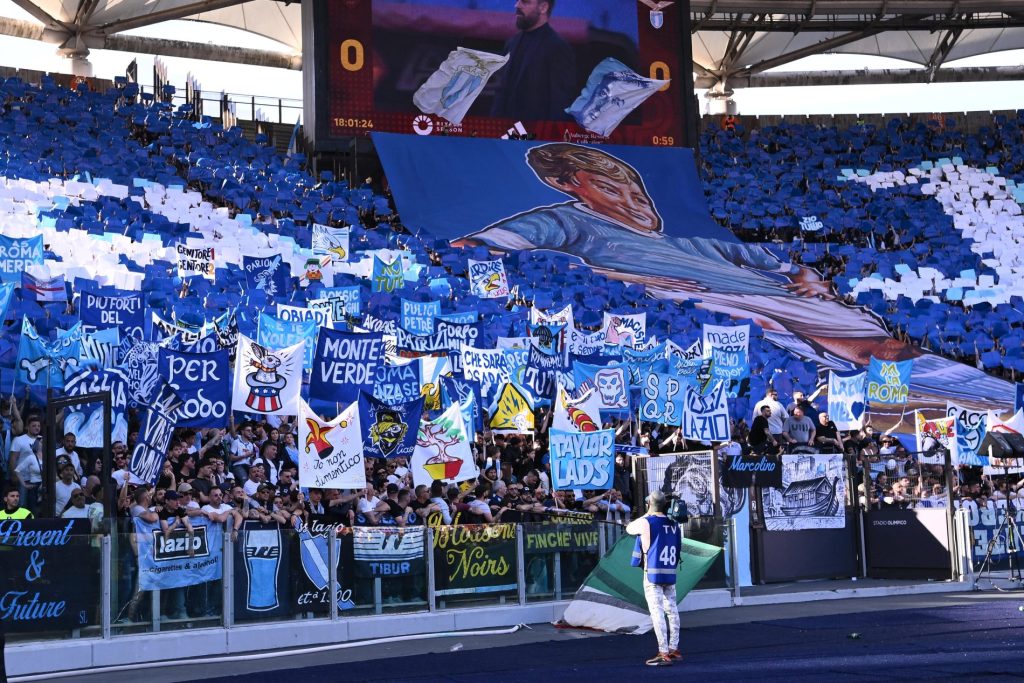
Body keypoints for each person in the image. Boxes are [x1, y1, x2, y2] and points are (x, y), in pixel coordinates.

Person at [489, 0, 575, 122]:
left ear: (543, 7)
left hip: (535, 135)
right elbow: (501, 93)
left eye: (525, 2)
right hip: (504, 133)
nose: (517, 5)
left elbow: (559, 102)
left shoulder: (557, 47)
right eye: (518, 1)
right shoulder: (512, 43)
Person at [626, 491, 682, 666]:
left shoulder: (646, 522)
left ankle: (663, 652)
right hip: (670, 572)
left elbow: (629, 528)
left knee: (657, 612)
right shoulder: (674, 523)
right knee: (672, 610)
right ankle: (674, 648)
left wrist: (648, 512)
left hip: (652, 574)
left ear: (650, 503)